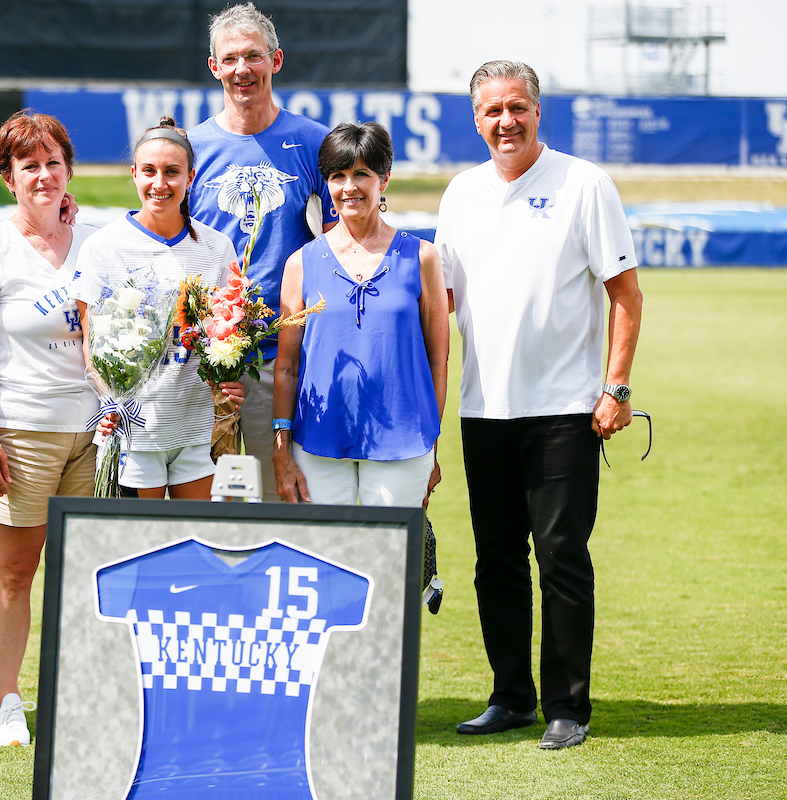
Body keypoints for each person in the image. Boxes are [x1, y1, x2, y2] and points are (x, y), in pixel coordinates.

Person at [436, 61, 643, 749]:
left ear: (537, 111)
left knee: (560, 558)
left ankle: (567, 707)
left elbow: (626, 295)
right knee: (495, 561)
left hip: (563, 410)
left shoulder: (584, 183)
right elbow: (443, 306)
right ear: (475, 118)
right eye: (492, 110)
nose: (505, 121)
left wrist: (615, 387)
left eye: (517, 107)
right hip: (482, 408)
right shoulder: (461, 194)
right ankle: (511, 697)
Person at [0, 111, 98, 747]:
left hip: (101, 433)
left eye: (52, 163)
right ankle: (9, 702)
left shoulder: (97, 240)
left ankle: (80, 694)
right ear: (9, 177)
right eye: (28, 166)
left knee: (89, 568)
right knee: (18, 567)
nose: (43, 176)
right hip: (22, 431)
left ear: (69, 170)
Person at [187, 2, 336, 502]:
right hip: (204, 364)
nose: (241, 69)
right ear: (213, 67)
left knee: (282, 505)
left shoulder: (315, 143)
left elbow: (345, 238)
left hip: (283, 361)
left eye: (252, 56)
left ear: (276, 60)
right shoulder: (192, 148)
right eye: (229, 59)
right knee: (213, 509)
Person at [272, 122, 447, 508]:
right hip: (316, 442)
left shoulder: (422, 257)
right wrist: (282, 446)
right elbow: (286, 368)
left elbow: (438, 359)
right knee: (325, 562)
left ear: (384, 179)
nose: (349, 187)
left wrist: (430, 443)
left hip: (403, 443)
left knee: (389, 564)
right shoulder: (300, 264)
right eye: (338, 176)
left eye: (361, 174)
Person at [71, 118, 244, 500]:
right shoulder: (103, 247)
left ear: (191, 177)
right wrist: (110, 398)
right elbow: (91, 340)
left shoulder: (217, 248)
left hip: (199, 429)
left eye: (172, 172)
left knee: (196, 546)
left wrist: (231, 378)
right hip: (133, 430)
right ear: (134, 174)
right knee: (137, 550)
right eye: (149, 171)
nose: (160, 183)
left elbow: (230, 332)